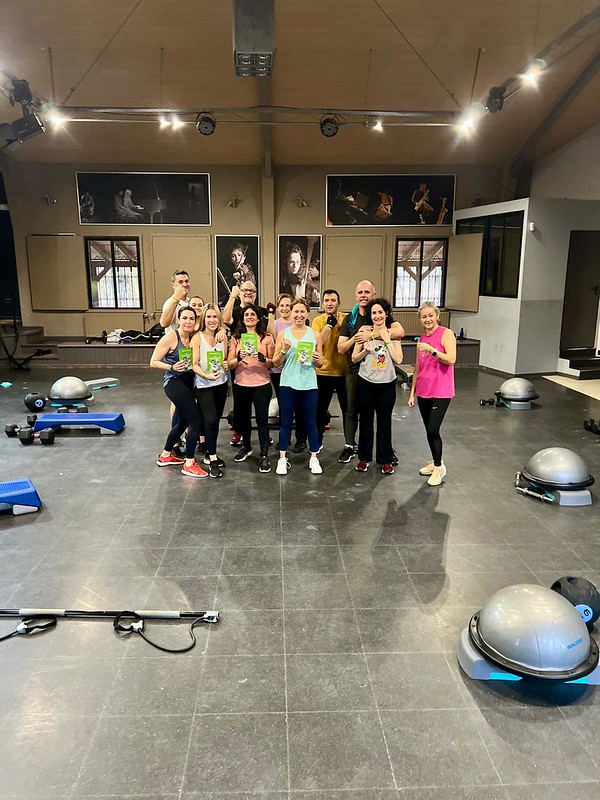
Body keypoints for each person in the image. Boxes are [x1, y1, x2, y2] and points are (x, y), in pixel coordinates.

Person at [337, 280, 405, 464]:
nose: (363, 295)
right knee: (356, 414)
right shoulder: (353, 321)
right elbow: (345, 351)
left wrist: (377, 335)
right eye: (360, 292)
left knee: (384, 421)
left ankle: (386, 456)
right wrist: (361, 339)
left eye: (367, 292)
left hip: (385, 380)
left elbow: (399, 336)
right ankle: (356, 451)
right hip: (360, 376)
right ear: (355, 295)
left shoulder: (390, 326)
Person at [150, 306, 207, 478]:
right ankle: (189, 463)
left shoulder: (194, 336)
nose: (188, 322)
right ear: (179, 320)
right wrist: (172, 367)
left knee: (182, 423)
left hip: (188, 383)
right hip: (174, 383)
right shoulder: (171, 337)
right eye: (185, 318)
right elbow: (153, 361)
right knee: (195, 421)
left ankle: (165, 455)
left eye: (192, 318)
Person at [272, 298, 324, 475]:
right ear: (291, 312)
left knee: (310, 422)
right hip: (288, 383)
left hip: (309, 384)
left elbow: (321, 363)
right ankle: (282, 458)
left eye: (302, 311)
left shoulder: (315, 335)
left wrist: (318, 359)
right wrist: (284, 350)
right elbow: (275, 362)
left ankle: (314, 458)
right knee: (286, 422)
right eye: (296, 311)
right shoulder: (283, 334)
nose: (299, 315)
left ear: (307, 313)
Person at [352, 298, 403, 474]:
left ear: (386, 314)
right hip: (365, 383)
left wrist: (387, 340)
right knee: (366, 422)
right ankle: (364, 459)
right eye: (374, 312)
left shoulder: (393, 333)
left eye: (380, 312)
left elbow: (398, 359)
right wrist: (365, 351)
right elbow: (354, 358)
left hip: (386, 384)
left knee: (384, 423)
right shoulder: (364, 331)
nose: (377, 316)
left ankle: (385, 460)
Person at [408, 301, 456, 486]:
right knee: (428, 428)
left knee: (433, 429)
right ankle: (437, 461)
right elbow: (417, 367)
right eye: (424, 317)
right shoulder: (421, 339)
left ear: (437, 316)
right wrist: (412, 392)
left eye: (430, 315)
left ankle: (438, 468)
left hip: (441, 390)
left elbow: (451, 359)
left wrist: (433, 351)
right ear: (420, 319)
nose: (427, 319)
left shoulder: (446, 333)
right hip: (423, 390)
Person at [227, 304, 275, 473]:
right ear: (242, 319)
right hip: (241, 384)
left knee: (262, 420)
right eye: (246, 315)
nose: (249, 317)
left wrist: (264, 359)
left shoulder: (267, 338)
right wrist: (238, 358)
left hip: (261, 385)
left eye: (252, 314)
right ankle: (246, 447)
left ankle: (264, 454)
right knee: (244, 419)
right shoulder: (236, 338)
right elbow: (230, 364)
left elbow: (273, 363)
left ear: (258, 318)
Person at [223, 281, 269, 447]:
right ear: (240, 292)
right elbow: (225, 319)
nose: (248, 293)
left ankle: (264, 435)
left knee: (260, 406)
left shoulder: (262, 311)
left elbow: (267, 332)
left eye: (252, 290)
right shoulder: (235, 310)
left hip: (258, 366)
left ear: (255, 293)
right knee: (240, 403)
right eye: (245, 290)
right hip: (239, 362)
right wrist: (232, 296)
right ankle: (239, 430)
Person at [192, 304, 229, 479]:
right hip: (203, 384)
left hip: (221, 384)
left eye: (215, 317)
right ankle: (213, 458)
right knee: (211, 420)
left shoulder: (223, 337)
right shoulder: (197, 338)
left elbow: (225, 359)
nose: (212, 320)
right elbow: (194, 364)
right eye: (209, 317)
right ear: (203, 319)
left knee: (216, 421)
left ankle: (209, 452)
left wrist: (226, 364)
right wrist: (206, 375)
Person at [311, 289, 347, 449]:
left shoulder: (347, 319)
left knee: (348, 410)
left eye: (333, 300)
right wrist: (328, 326)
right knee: (319, 410)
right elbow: (316, 343)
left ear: (339, 303)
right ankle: (317, 440)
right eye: (326, 300)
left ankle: (350, 442)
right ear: (322, 303)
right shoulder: (318, 321)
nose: (329, 303)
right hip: (323, 372)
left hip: (344, 372)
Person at [280, 242, 320, 306]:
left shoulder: (306, 275)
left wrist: (314, 301)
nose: (295, 266)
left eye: (298, 262)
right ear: (285, 262)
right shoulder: (281, 280)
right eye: (291, 262)